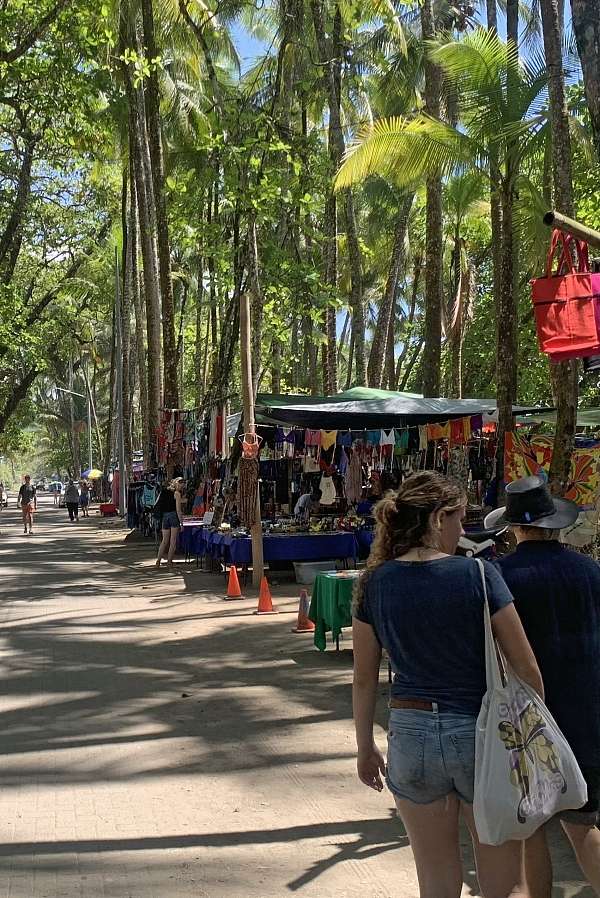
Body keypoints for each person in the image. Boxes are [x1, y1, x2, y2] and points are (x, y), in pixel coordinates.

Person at [353, 470, 543, 898]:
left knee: (435, 880)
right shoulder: (478, 575)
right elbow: (526, 665)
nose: (464, 528)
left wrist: (366, 746)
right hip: (481, 734)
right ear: (438, 518)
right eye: (459, 517)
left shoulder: (374, 583)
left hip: (410, 735)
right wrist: (534, 739)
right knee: (505, 881)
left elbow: (364, 678)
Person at [487, 475, 600, 898]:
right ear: (556, 523)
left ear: (513, 527)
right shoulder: (590, 571)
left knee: (531, 827)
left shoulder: (499, 576)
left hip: (525, 717)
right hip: (586, 710)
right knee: (582, 824)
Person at [155, 478, 185, 569]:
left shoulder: (164, 492)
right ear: (177, 484)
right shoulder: (177, 494)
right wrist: (181, 523)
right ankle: (169, 562)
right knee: (173, 541)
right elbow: (178, 510)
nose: (181, 487)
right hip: (173, 516)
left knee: (164, 541)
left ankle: (158, 561)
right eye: (181, 485)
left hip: (165, 517)